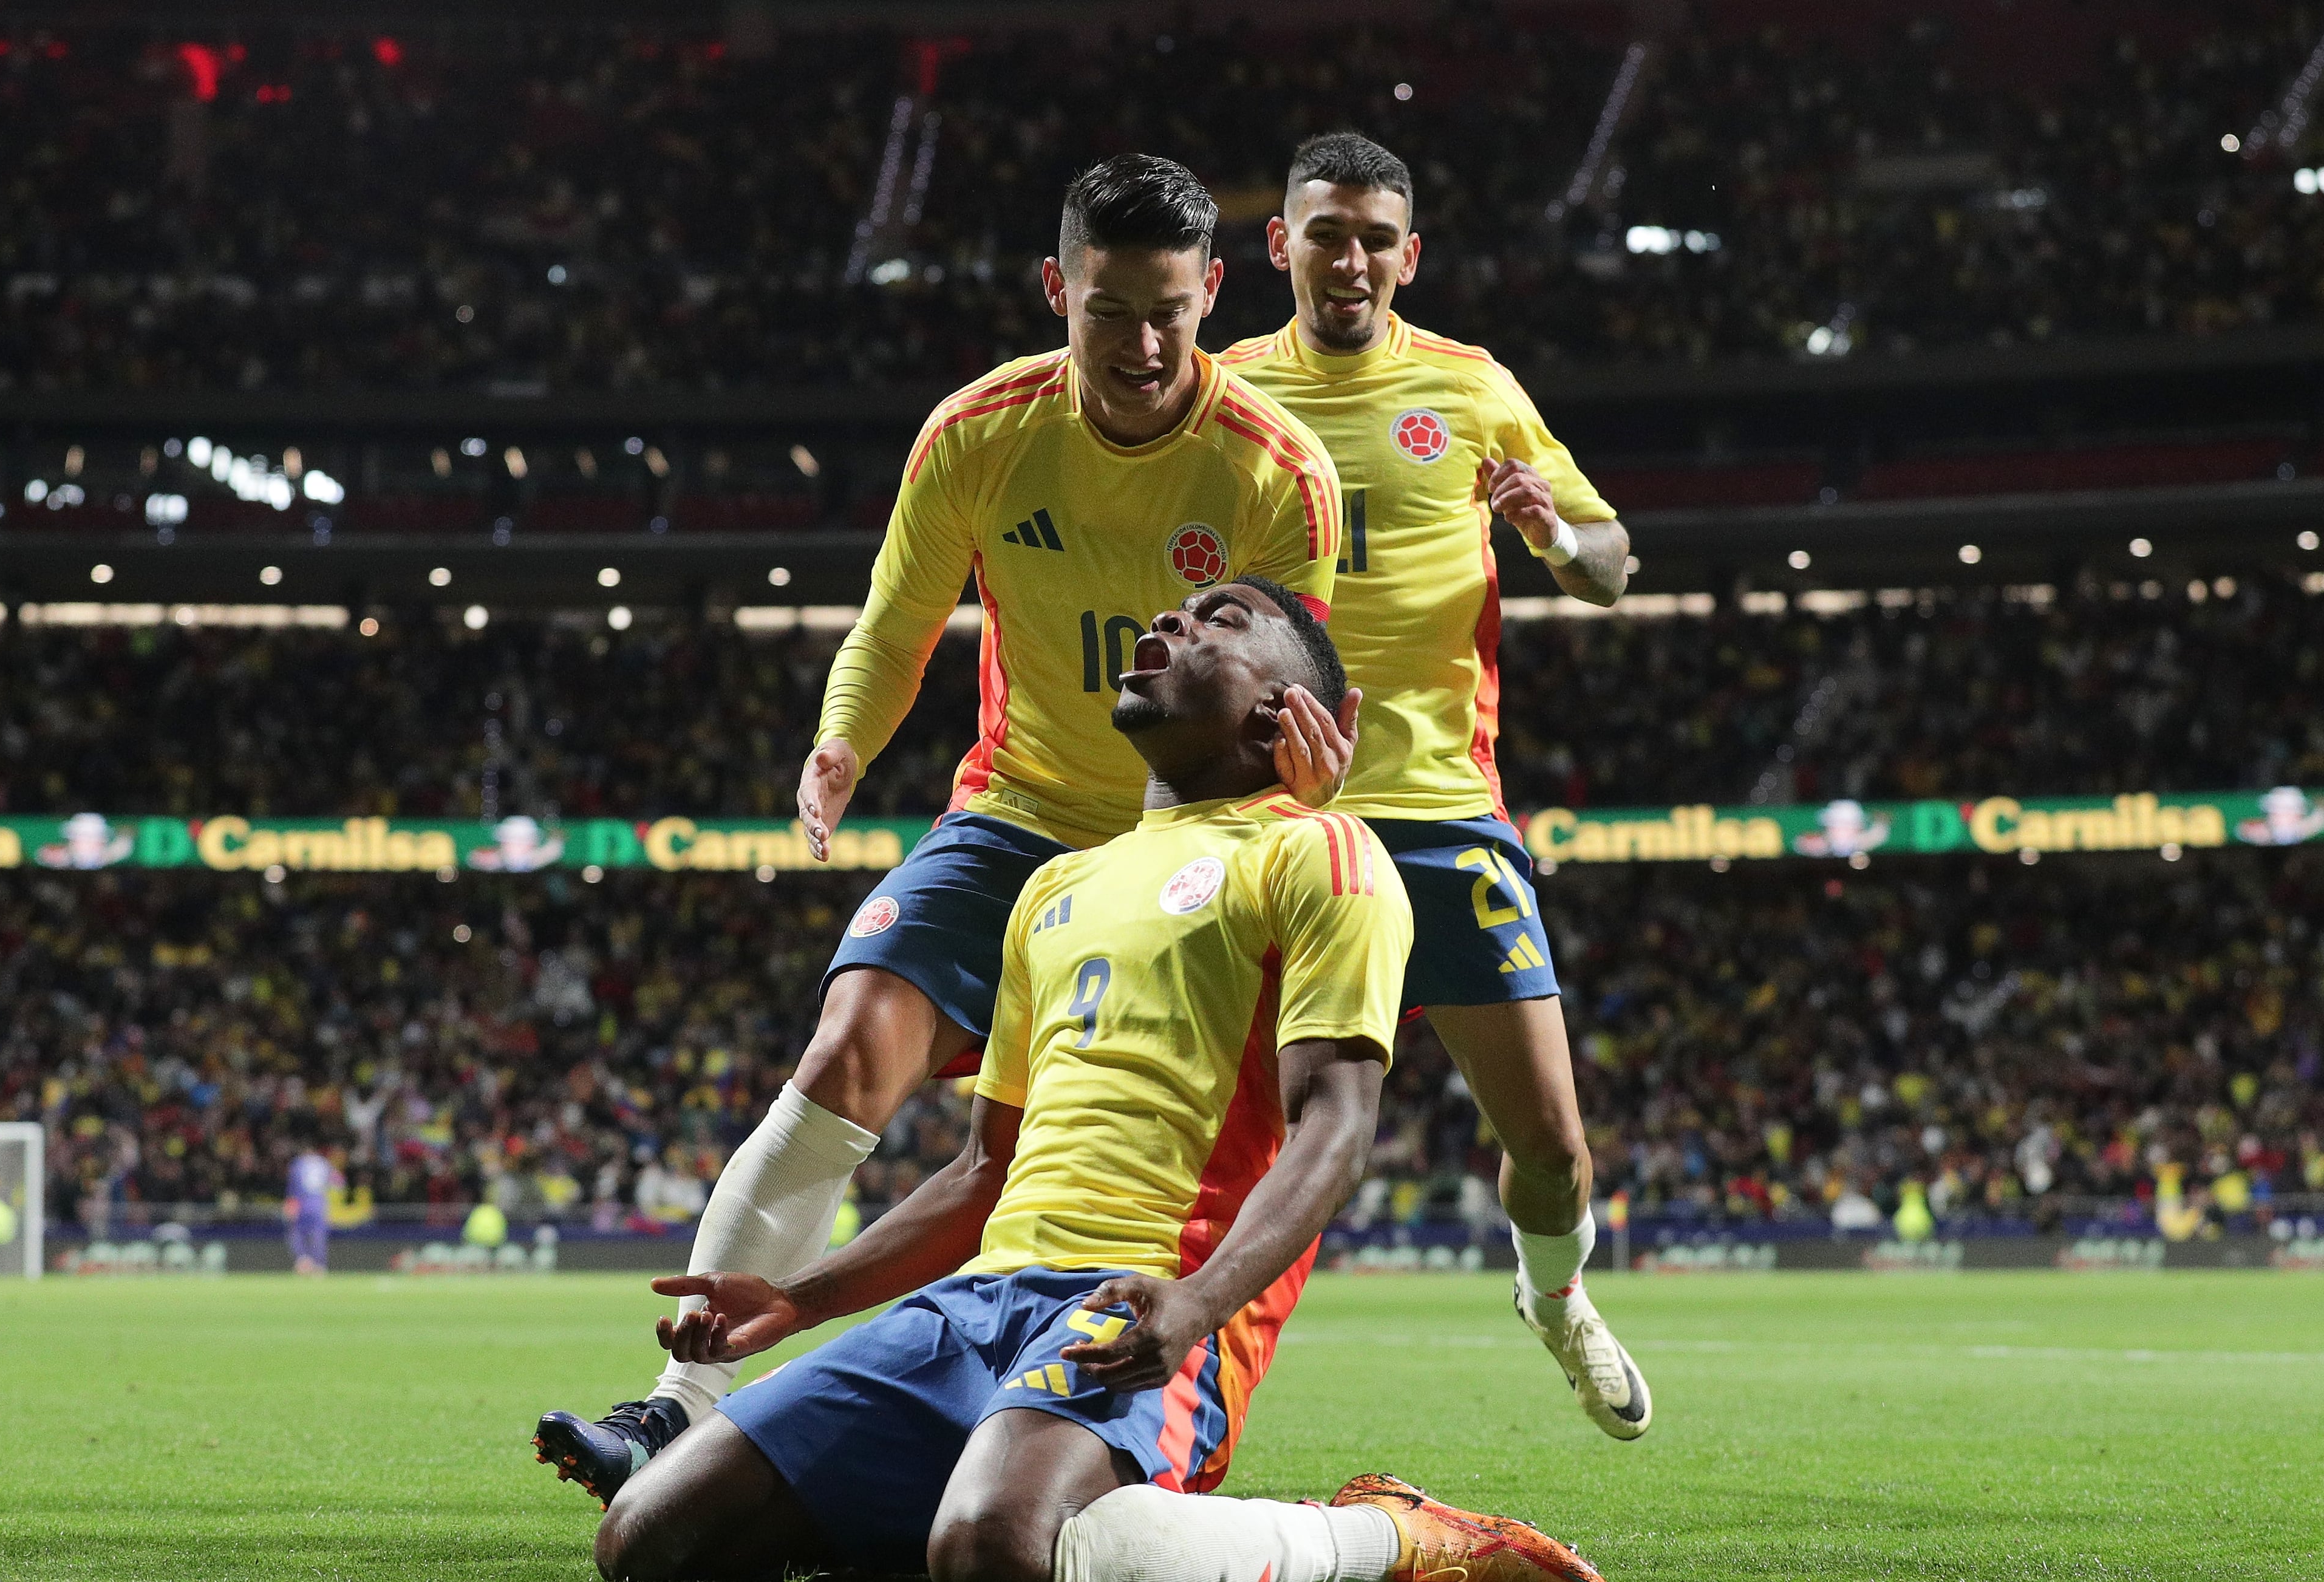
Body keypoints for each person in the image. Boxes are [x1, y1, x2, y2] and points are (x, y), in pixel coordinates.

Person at [536, 153, 1358, 1500]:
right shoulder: (977, 432)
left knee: (1096, 1153)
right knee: (851, 1046)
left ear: (1215, 291)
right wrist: (842, 739)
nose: (1142, 344)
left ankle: (1101, 1400)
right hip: (1018, 808)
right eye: (1107, 310)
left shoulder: (1277, 470)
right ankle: (676, 1407)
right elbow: (895, 620)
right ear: (1055, 290)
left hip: (1188, 841)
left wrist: (1296, 818)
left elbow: (1291, 681)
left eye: (1170, 309)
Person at [595, 577, 1600, 1582]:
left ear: (1278, 708)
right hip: (975, 1302)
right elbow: (984, 1172)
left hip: (1149, 1297)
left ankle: (1385, 1539)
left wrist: (1201, 1302)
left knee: (992, 1546)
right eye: (1174, 612)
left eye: (1222, 620)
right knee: (649, 1539)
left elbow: (1333, 1131)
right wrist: (796, 1298)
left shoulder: (1323, 853)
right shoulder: (1053, 888)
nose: (1171, 620)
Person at [1219, 132, 1651, 1439]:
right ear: (1276, 244)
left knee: (1553, 1148)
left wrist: (1552, 535)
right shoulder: (1219, 390)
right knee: (1214, 1142)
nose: (1345, 257)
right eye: (1321, 232)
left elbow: (1610, 567)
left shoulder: (1470, 389)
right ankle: (1146, 1375)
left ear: (1408, 256)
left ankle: (1553, 1299)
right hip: (1269, 819)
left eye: (1370, 236)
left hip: (1437, 812)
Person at [284, 1142, 335, 1277]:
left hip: (303, 1203)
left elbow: (293, 1186)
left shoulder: (299, 1164)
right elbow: (338, 1183)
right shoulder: (324, 1164)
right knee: (318, 1235)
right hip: (319, 1204)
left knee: (296, 1231)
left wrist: (291, 1204)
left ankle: (303, 1260)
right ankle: (319, 1265)